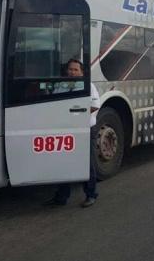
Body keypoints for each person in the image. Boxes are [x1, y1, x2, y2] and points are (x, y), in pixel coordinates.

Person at [44, 58, 100, 208]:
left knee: (86, 163)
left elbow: (95, 106)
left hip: (84, 130)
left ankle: (91, 194)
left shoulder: (88, 85)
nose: (72, 72)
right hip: (64, 130)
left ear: (82, 72)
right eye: (70, 69)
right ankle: (61, 197)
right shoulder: (61, 86)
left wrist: (75, 116)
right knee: (63, 164)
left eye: (76, 70)